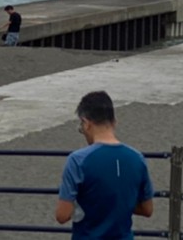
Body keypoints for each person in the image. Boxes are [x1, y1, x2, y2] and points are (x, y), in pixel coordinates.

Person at [55, 90, 154, 239]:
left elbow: (62, 215)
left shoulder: (77, 160)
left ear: (86, 123)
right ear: (114, 122)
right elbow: (147, 209)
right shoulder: (137, 158)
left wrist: (91, 202)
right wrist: (116, 201)